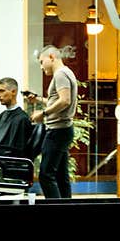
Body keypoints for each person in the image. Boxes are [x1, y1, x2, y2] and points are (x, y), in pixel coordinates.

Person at [26, 45, 78, 199]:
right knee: (61, 177)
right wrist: (38, 99)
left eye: (42, 62)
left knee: (46, 175)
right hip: (63, 130)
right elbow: (58, 99)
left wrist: (43, 113)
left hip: (57, 131)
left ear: (51, 57)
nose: (41, 67)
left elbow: (65, 100)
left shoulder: (60, 74)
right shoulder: (66, 72)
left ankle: (54, 210)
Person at [0, 77, 33, 153]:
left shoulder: (22, 119)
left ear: (13, 92)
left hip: (6, 161)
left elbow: (17, 150)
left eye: (2, 91)